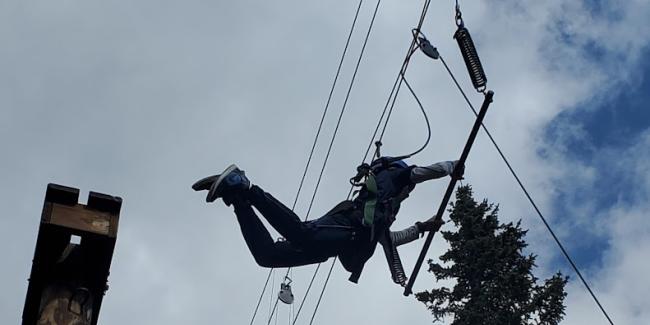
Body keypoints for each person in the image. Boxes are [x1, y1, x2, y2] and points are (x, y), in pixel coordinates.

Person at [193, 158, 463, 285]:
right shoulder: (395, 178)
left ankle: (237, 196)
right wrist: (451, 167)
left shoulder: (385, 212)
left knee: (267, 256)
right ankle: (245, 185)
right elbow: (423, 172)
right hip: (348, 226)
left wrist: (421, 229)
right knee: (301, 233)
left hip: (337, 245)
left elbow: (388, 240)